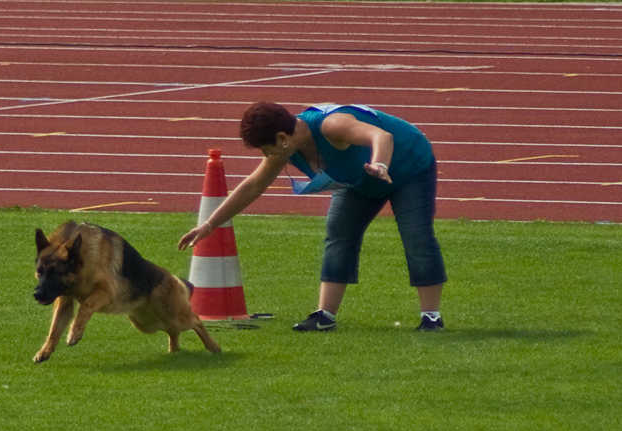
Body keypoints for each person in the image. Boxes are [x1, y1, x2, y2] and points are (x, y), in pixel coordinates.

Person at [178, 102, 447, 331]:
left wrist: (379, 164)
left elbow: (382, 137)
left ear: (283, 138)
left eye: (265, 149)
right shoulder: (287, 146)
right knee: (339, 233)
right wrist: (210, 224)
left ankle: (431, 317)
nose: (266, 156)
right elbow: (253, 185)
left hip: (408, 166)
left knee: (416, 236)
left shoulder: (331, 125)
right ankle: (325, 316)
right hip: (359, 179)